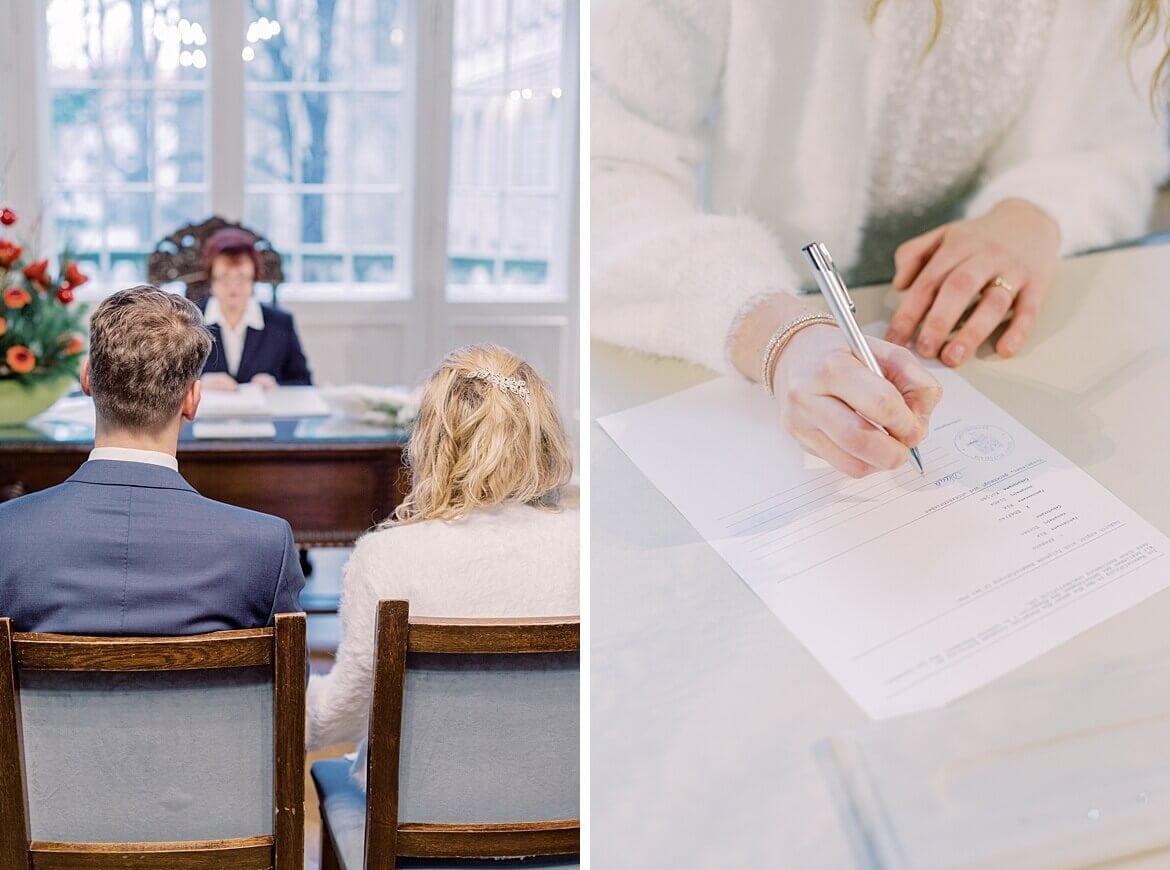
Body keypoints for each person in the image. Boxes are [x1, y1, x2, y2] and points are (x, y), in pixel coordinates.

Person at [592, 0, 1169, 478]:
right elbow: (604, 172)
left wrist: (1036, 213)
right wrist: (776, 334)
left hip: (977, 356)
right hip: (729, 326)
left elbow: (1121, 140)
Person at [306, 344, 578, 778]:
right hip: (564, 810)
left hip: (417, 826)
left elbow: (347, 712)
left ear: (431, 440)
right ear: (541, 436)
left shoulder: (385, 557)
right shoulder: (581, 545)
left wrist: (279, 709)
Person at [0, 285, 304, 634]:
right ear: (193, 399)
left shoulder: (6, 534)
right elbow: (289, 683)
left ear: (87, 379)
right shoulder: (265, 546)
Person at [198, 227, 312, 390]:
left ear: (254, 278)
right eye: (225, 278)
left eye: (241, 278)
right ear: (211, 280)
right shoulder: (189, 323)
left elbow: (303, 382)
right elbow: (167, 384)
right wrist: (200, 383)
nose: (233, 287)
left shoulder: (280, 323)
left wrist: (275, 385)